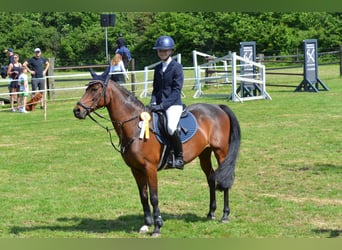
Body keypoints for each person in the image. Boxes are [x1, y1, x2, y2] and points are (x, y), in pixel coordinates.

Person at [147, 35, 184, 170]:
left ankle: (179, 157)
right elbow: (156, 89)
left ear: (170, 51)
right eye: (159, 50)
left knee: (170, 127)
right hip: (159, 104)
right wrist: (152, 102)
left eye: (164, 50)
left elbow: (176, 91)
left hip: (173, 104)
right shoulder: (157, 68)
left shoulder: (177, 67)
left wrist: (163, 105)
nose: (162, 53)